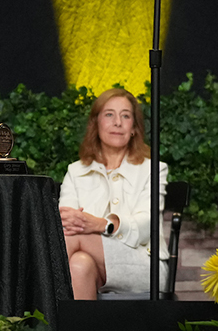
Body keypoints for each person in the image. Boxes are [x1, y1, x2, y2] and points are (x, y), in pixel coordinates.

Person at [57, 88, 169, 298]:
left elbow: (147, 225)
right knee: (79, 265)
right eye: (109, 114)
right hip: (91, 258)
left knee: (73, 236)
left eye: (125, 116)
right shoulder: (76, 170)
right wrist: (81, 223)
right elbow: (66, 220)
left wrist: (102, 225)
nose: (118, 122)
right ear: (95, 124)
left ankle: (33, 301)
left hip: (144, 264)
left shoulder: (154, 169)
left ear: (134, 128)